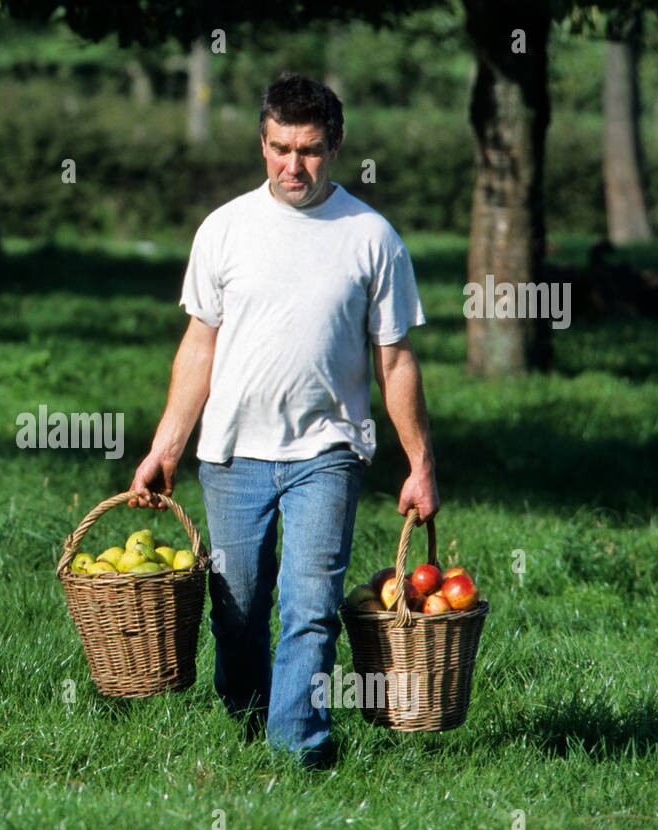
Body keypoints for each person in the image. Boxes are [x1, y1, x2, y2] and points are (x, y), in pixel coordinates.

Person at [128, 73, 440, 769]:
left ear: (336, 146)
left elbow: (395, 361)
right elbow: (199, 347)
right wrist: (165, 447)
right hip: (233, 455)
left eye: (308, 150)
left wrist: (419, 463)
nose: (291, 166)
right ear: (261, 142)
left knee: (310, 608)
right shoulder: (225, 228)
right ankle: (244, 720)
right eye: (277, 148)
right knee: (237, 615)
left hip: (327, 451)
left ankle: (295, 749)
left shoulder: (371, 236)